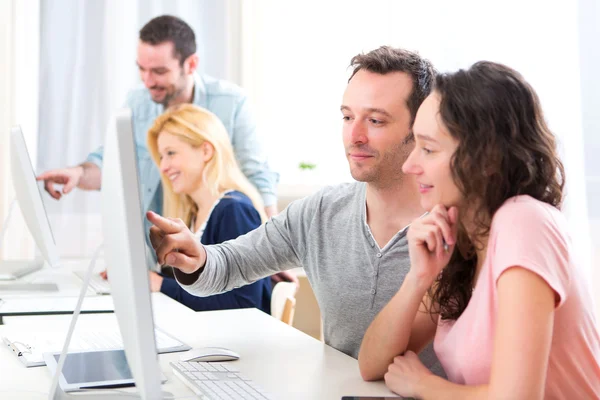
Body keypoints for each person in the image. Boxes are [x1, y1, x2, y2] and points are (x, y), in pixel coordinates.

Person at [145, 46, 445, 373]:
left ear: (420, 130)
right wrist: (196, 259)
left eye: (375, 120)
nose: (354, 136)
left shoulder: (453, 228)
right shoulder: (320, 213)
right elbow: (229, 265)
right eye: (347, 117)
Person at [358, 61, 600, 398]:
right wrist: (418, 278)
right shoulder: (466, 243)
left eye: (428, 149)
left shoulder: (524, 221)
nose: (409, 165)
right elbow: (372, 365)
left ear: (485, 160)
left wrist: (425, 386)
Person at [36, 15, 279, 218]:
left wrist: (272, 250)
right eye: (142, 69)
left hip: (213, 243)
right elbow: (111, 164)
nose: (148, 81)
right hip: (158, 251)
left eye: (159, 71)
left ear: (191, 64)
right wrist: (78, 174)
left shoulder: (232, 102)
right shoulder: (137, 103)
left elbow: (257, 176)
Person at [143, 103, 272, 313]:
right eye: (161, 157)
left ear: (205, 151)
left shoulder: (234, 210)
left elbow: (242, 304)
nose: (163, 167)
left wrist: (159, 285)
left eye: (171, 153)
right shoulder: (195, 214)